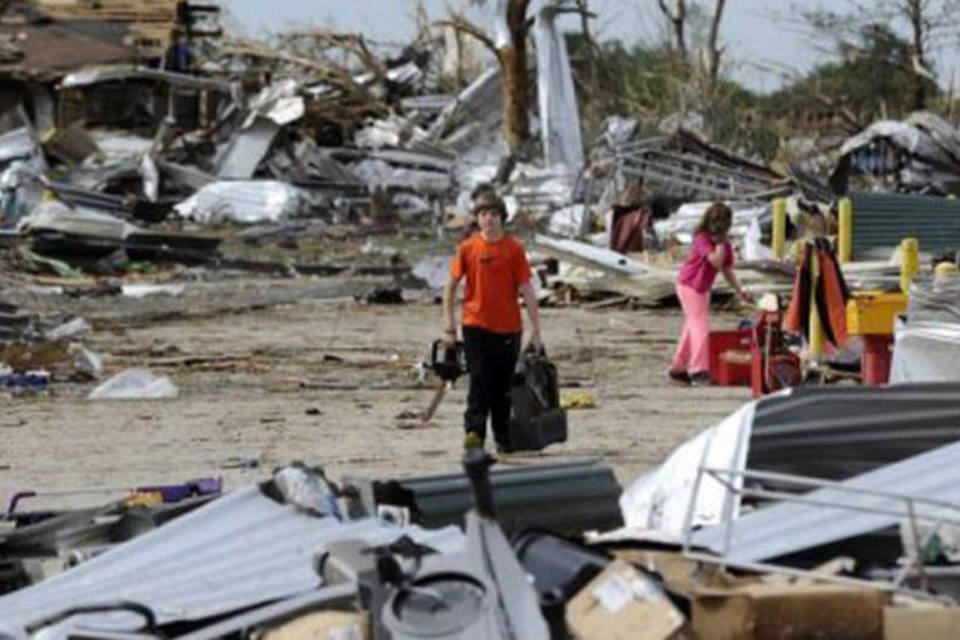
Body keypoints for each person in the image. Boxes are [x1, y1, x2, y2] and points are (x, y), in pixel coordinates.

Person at [442, 192, 542, 451]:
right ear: (478, 219)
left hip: (508, 328)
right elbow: (450, 287)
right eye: (484, 215)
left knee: (502, 388)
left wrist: (536, 329)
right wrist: (449, 327)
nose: (489, 220)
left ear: (502, 218)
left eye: (494, 215)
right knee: (479, 382)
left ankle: (502, 437)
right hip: (475, 326)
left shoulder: (513, 249)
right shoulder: (468, 248)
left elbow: (527, 289)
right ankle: (474, 434)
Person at [669, 202, 752, 386]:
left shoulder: (725, 245)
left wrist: (741, 290)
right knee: (700, 327)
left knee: (691, 326)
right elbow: (715, 261)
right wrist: (721, 244)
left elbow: (727, 270)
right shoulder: (702, 238)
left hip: (702, 289)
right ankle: (698, 370)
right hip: (689, 285)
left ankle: (678, 366)